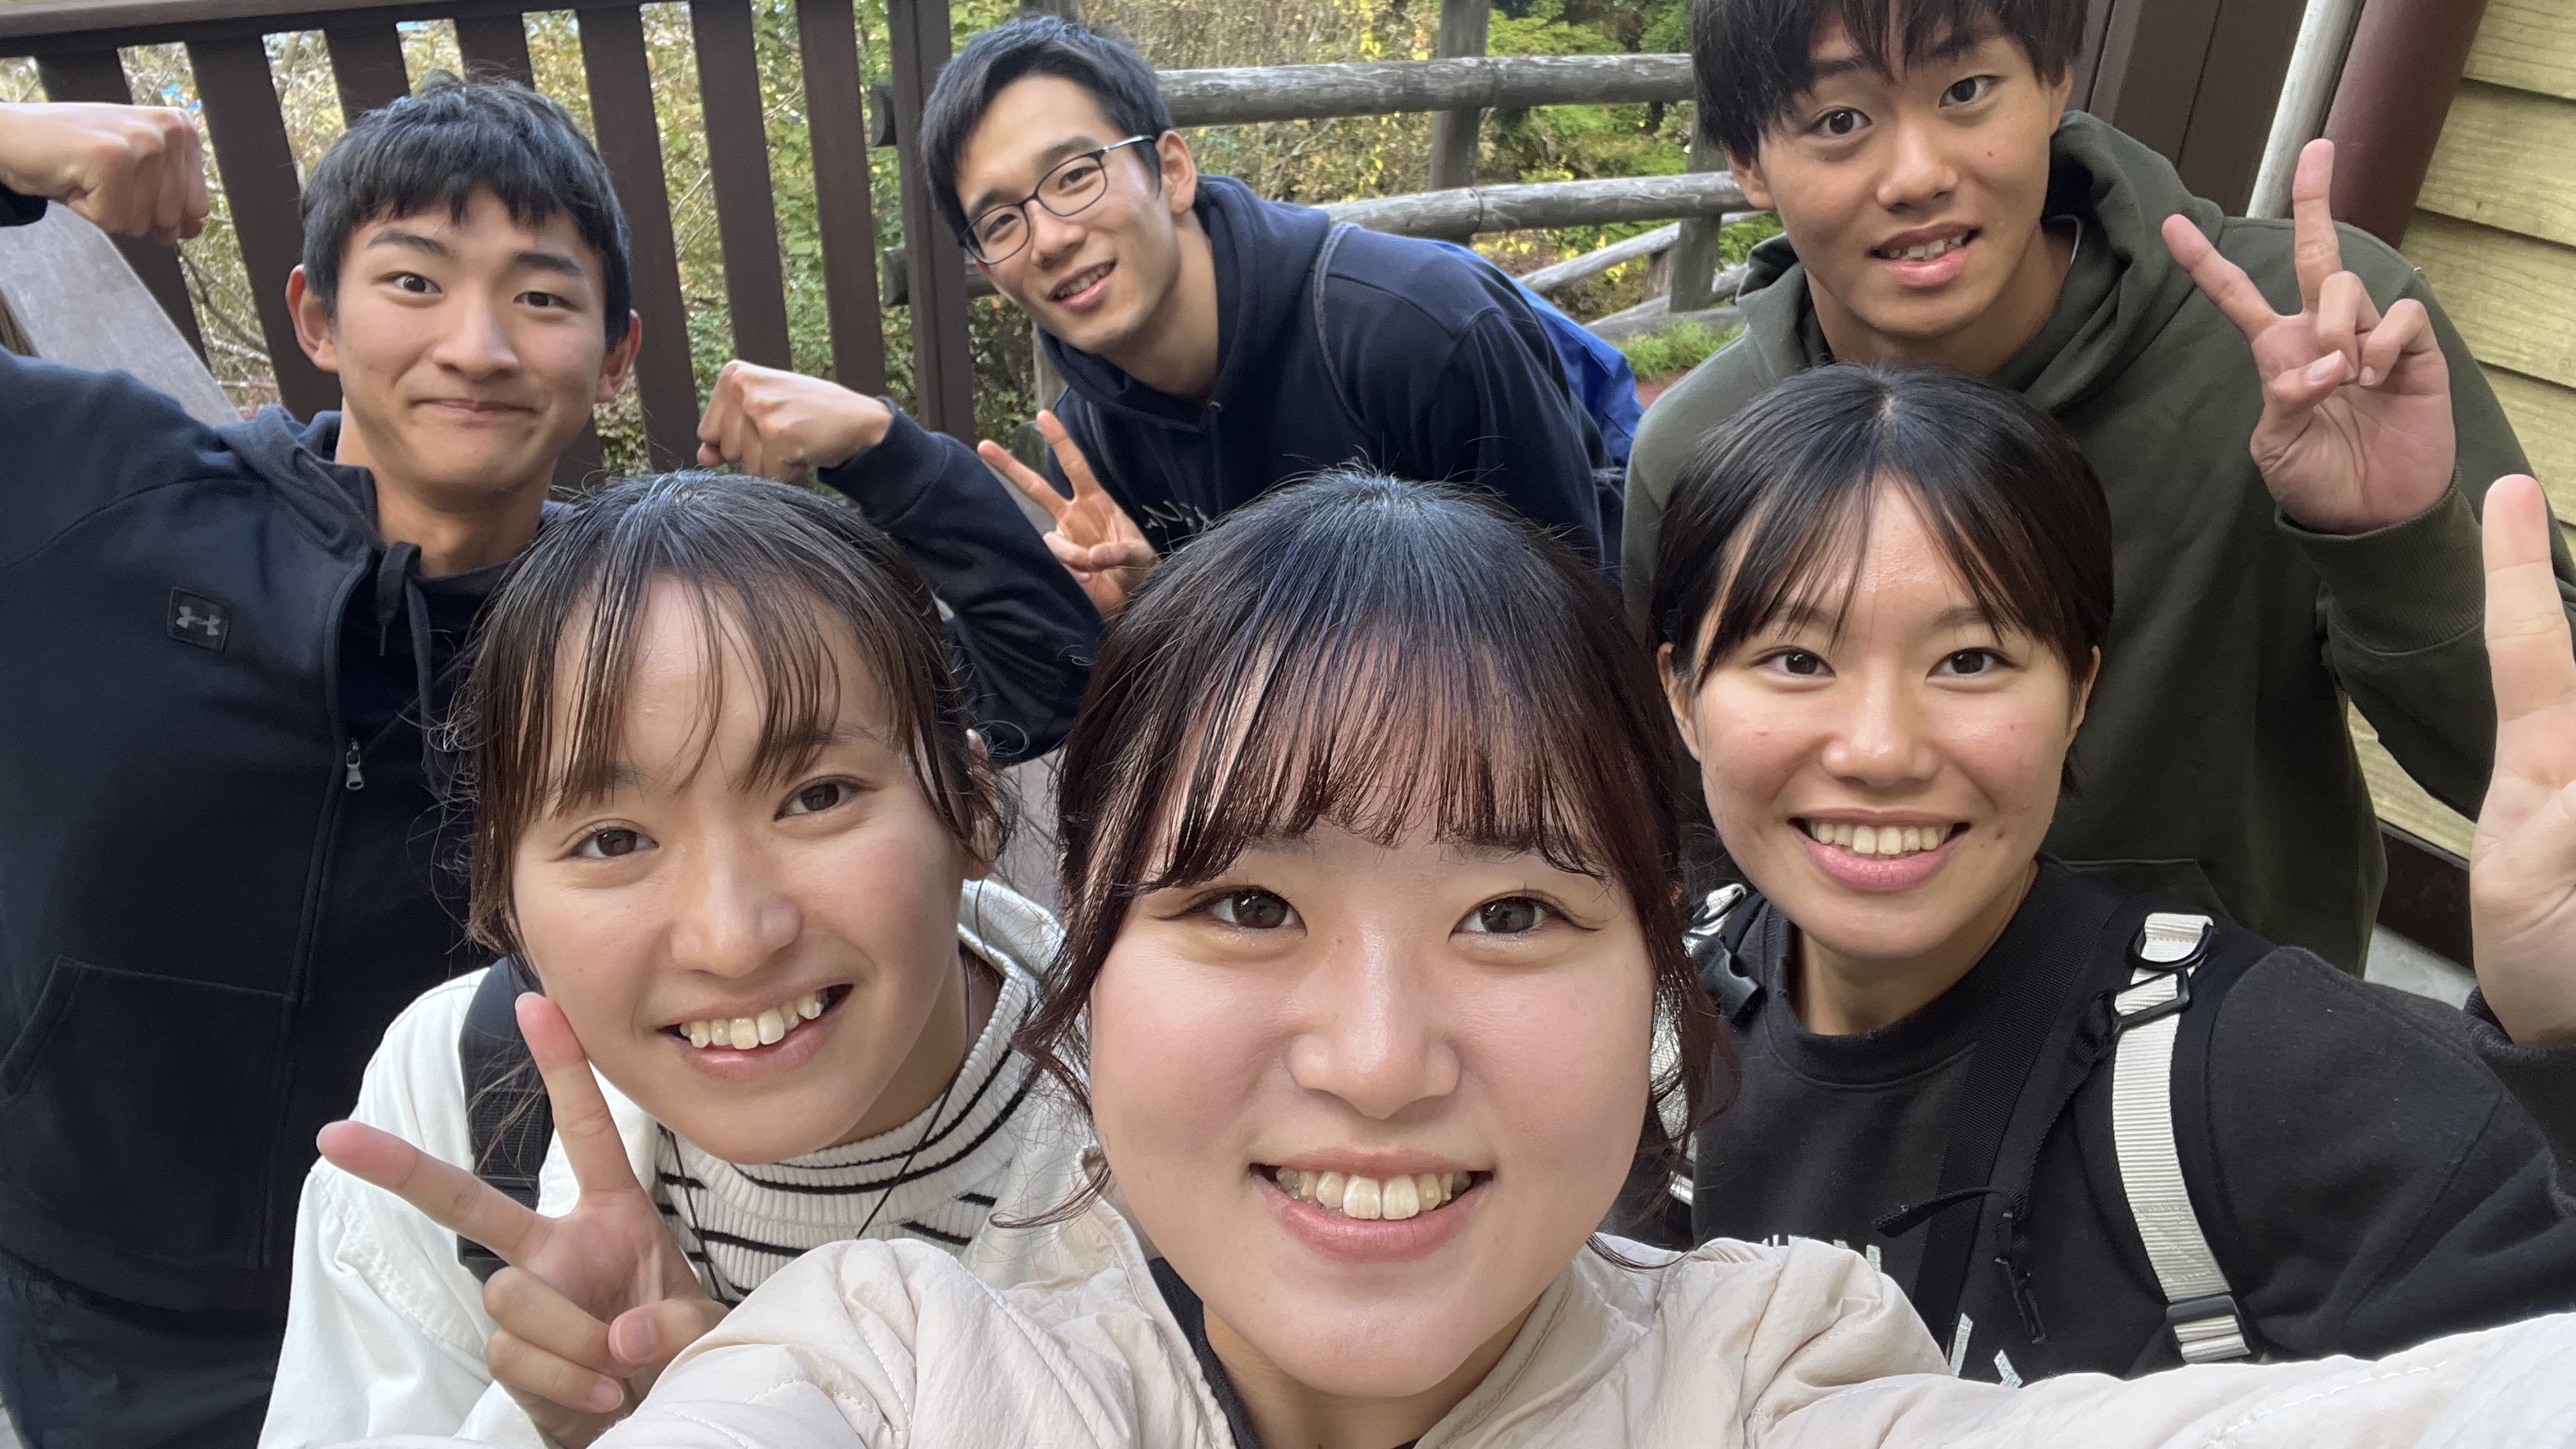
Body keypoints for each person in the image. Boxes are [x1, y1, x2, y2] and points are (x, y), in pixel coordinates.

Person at [500, 473, 2569, 1449]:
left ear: (1658, 988)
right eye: (1245, 904)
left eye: (1511, 911)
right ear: (1074, 972)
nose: (1378, 1055)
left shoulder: (1768, 1374)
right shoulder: (897, 1364)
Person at [0, 80, 1090, 1446]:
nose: (477, 345)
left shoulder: (619, 646)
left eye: (539, 296)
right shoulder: (104, 492)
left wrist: (881, 449)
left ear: (615, 354)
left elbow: (1037, 684)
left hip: (505, 1269)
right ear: (316, 318)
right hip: (92, 1290)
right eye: (413, 280)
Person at [1649, 363, 2576, 1384]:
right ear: (1683, 695)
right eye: (1795, 660)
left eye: (1970, 660)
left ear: (2080, 690)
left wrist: (2564, 1046)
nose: (1880, 750)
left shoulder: (2244, 1069)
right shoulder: (1650, 1025)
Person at [1620, 0, 2574, 972]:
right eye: (1839, 121)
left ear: (2055, 83)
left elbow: (2542, 772)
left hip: (2236, 1030)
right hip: (1856, 1039)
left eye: (1966, 90)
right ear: (1749, 163)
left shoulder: (2315, 352)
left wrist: (2397, 541)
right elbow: (1701, 835)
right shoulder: (1702, 448)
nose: (1918, 175)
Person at [259, 473, 1084, 1447]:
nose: (732, 939)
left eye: (817, 797)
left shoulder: (1165, 1144)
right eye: (613, 840)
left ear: (972, 809)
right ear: (505, 891)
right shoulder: (459, 1100)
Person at [917, 13, 1617, 615]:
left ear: (1172, 171)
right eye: (1001, 222)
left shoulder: (1418, 331)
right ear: (991, 273)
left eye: (1075, 176)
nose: (1049, 239)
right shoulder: (1088, 442)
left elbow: (1572, 622)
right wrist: (1150, 607)